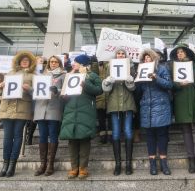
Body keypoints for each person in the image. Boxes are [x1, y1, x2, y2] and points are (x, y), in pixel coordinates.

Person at [60, 54, 102, 179]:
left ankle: (83, 168)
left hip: (86, 111)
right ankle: (74, 168)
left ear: (83, 64)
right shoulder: (70, 75)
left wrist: (86, 85)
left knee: (84, 140)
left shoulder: (92, 76)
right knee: (72, 140)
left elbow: (99, 90)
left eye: (76, 62)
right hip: (71, 111)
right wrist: (64, 96)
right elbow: (64, 93)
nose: (74, 64)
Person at [170, 44, 195, 174]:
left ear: (187, 53)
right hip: (181, 98)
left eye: (182, 52)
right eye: (177, 52)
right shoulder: (173, 67)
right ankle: (191, 159)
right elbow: (171, 83)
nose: (179, 54)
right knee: (186, 129)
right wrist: (177, 85)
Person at [0, 51, 36, 177]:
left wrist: (29, 89)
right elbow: (2, 90)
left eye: (27, 60)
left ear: (30, 62)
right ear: (18, 61)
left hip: (22, 107)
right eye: (22, 60)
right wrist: (1, 86)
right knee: (7, 137)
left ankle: (12, 164)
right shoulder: (10, 73)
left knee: (18, 136)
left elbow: (38, 92)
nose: (25, 61)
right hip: (7, 106)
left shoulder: (33, 75)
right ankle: (5, 163)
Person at [136, 49, 173, 175]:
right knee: (150, 136)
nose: (147, 60)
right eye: (144, 59)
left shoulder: (162, 68)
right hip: (147, 107)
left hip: (161, 106)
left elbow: (169, 84)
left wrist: (156, 77)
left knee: (162, 135)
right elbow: (138, 92)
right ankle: (152, 163)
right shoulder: (141, 71)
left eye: (149, 58)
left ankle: (163, 163)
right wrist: (138, 80)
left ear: (153, 59)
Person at [102, 48, 137, 176]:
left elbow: (134, 88)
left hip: (127, 103)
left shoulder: (131, 67)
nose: (121, 55)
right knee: (116, 133)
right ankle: (118, 164)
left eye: (123, 54)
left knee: (128, 131)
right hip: (114, 104)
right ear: (115, 55)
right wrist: (107, 82)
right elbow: (105, 89)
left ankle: (128, 163)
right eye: (119, 53)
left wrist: (130, 82)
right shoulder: (109, 67)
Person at [34, 55, 66, 176]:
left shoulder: (63, 75)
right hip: (41, 108)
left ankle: (51, 164)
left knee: (53, 135)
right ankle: (43, 164)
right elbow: (36, 91)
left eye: (55, 62)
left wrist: (56, 91)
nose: (53, 63)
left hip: (54, 108)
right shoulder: (41, 76)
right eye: (51, 62)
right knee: (42, 136)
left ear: (59, 63)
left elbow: (65, 92)